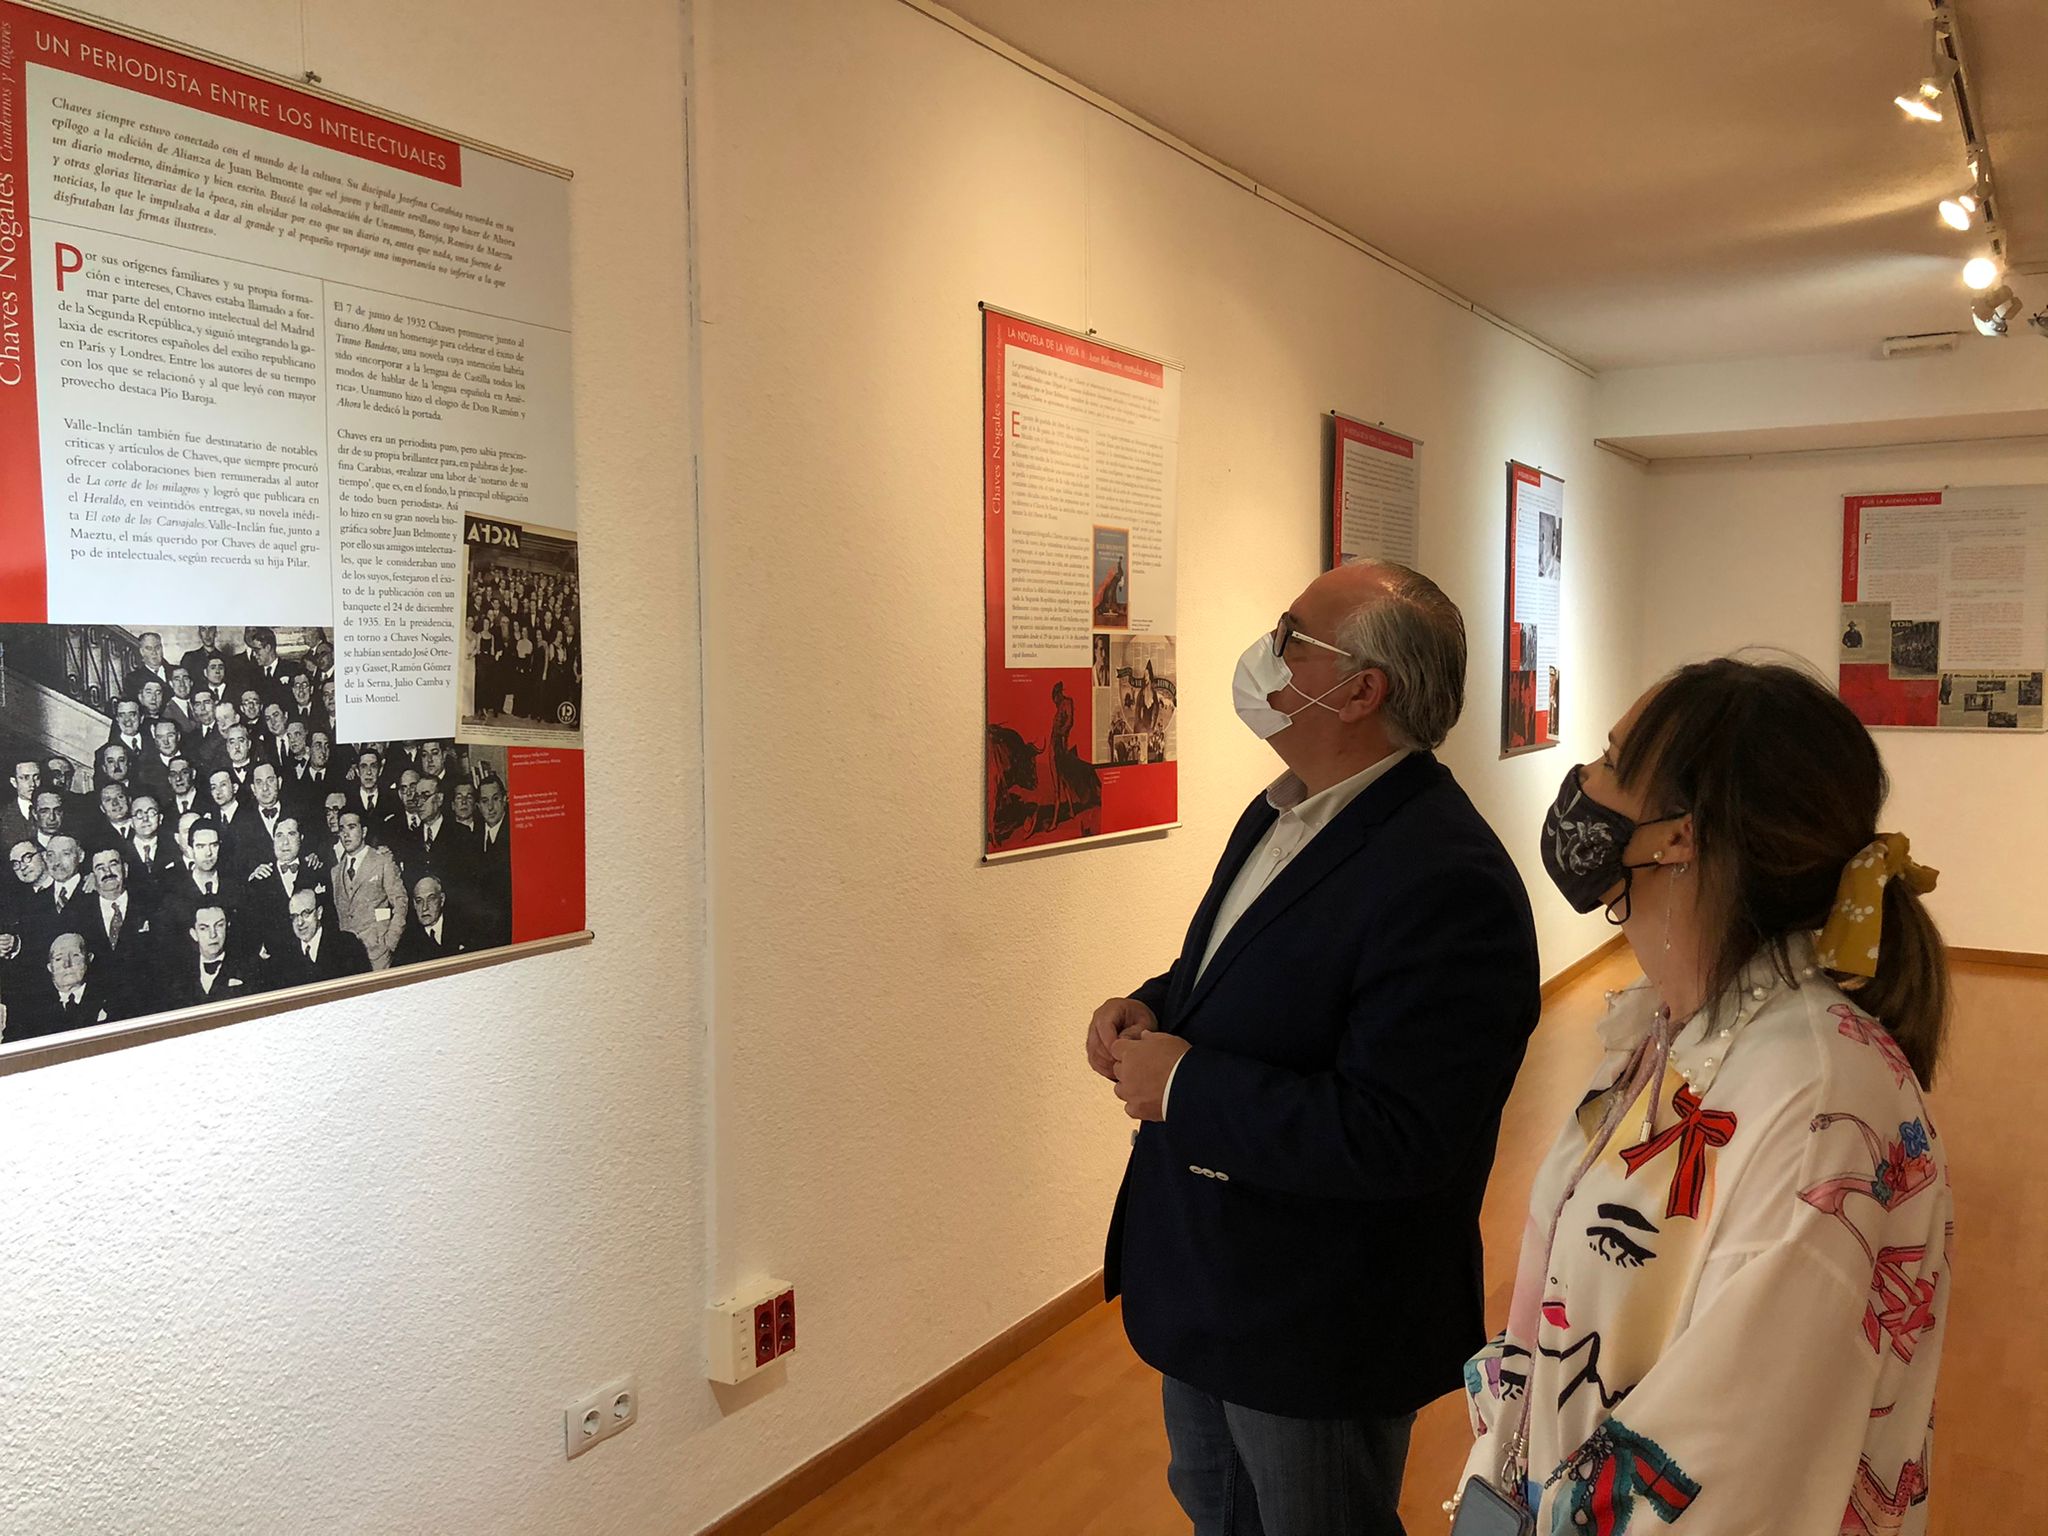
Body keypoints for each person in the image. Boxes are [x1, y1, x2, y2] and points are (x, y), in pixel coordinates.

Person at [1091, 562, 1540, 1536]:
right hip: (1212, 1281)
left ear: (1360, 688)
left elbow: (1400, 1134)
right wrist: (1148, 1004)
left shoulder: (1443, 877)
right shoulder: (1283, 807)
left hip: (1315, 1318)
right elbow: (1233, 972)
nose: (1266, 653)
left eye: (1291, 636)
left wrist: (1188, 1086)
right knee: (1216, 1509)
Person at [1454, 659, 1952, 1534]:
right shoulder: (1676, 1033)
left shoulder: (1817, 1104)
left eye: (1611, 759)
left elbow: (1721, 1474)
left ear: (1680, 834)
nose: (1583, 784)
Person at [2, 931, 125, 1043]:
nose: (67, 964)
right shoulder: (28, 1007)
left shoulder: (113, 997)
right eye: (58, 958)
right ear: (50, 968)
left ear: (89, 958)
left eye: (75, 955)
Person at [332, 810, 408, 970]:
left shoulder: (382, 861)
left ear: (364, 831)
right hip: (348, 955)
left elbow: (400, 901)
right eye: (341, 829)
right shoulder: (335, 871)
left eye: (351, 827)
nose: (346, 834)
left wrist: (390, 940)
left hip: (377, 952)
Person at [266, 886, 372, 988]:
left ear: (319, 913)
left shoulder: (347, 945)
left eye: (306, 914)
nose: (299, 922)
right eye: (294, 916)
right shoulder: (284, 953)